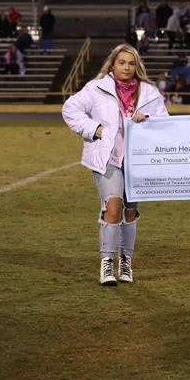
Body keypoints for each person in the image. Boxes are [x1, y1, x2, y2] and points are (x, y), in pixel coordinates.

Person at [62, 44, 168, 285]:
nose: (126, 67)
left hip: (137, 161)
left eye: (131, 63)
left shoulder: (150, 92)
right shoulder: (96, 88)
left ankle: (126, 261)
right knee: (113, 206)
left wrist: (147, 120)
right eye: (122, 62)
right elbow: (70, 108)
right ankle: (107, 264)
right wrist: (93, 129)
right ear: (112, 64)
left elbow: (165, 123)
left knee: (130, 211)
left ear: (137, 66)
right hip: (107, 159)